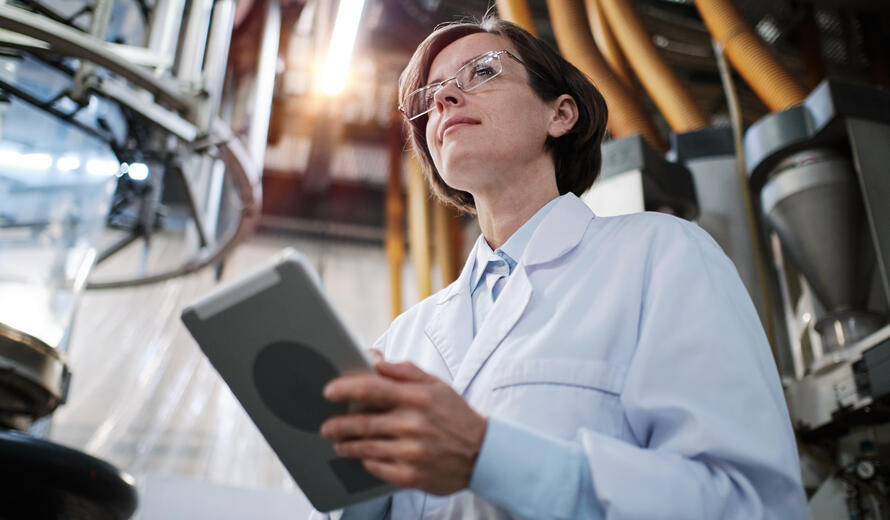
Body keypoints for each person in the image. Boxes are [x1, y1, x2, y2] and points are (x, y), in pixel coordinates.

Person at [310, 16, 807, 520]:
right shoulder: (403, 340)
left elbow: (752, 504)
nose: (442, 100)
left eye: (481, 72)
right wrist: (350, 484)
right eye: (430, 96)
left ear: (560, 114)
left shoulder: (662, 256)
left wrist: (488, 455)